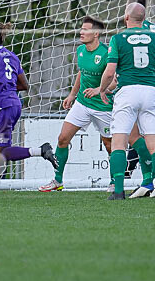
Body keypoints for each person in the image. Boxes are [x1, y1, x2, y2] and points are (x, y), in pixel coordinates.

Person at [0, 22, 57, 194]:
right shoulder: (12, 56)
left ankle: (40, 151)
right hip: (14, 104)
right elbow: (24, 85)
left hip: (2, 106)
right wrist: (4, 87)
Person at [99, 2, 155, 200]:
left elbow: (110, 72)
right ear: (144, 19)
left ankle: (118, 191)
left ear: (126, 17)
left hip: (127, 92)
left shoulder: (117, 39)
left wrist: (102, 89)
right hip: (149, 91)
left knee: (119, 142)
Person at [39, 17, 114, 192]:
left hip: (103, 106)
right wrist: (72, 95)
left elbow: (114, 81)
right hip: (82, 103)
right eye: (81, 29)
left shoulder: (106, 53)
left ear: (96, 34)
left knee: (110, 146)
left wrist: (99, 90)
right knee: (62, 139)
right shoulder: (80, 50)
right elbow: (82, 73)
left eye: (86, 29)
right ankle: (57, 180)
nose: (81, 32)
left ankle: (114, 182)